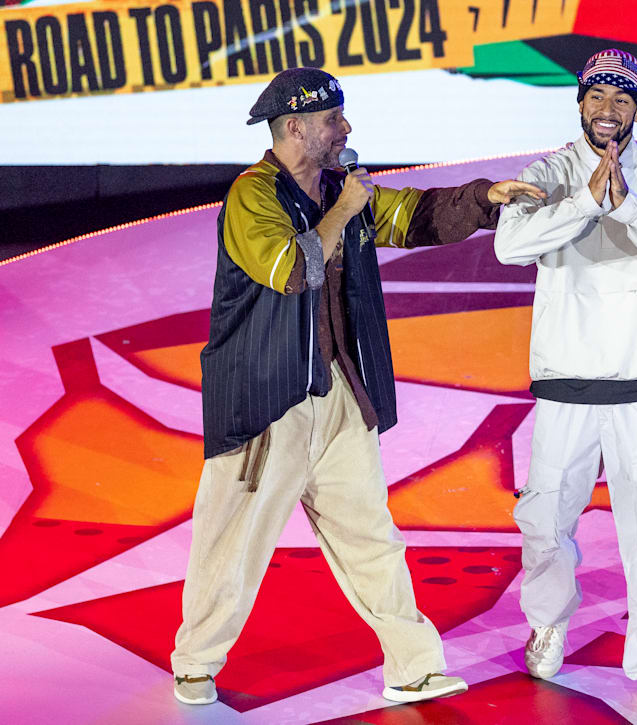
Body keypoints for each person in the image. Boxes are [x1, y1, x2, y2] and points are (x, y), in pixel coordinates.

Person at [171, 67, 544, 706]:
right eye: (332, 120)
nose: (346, 128)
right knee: (233, 542)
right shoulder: (251, 196)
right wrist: (344, 210)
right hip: (268, 401)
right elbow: (293, 269)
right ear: (295, 128)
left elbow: (415, 214)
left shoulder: (341, 187)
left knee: (372, 536)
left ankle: (413, 665)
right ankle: (196, 662)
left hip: (339, 391)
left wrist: (487, 197)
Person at [494, 49, 637, 721]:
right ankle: (548, 623)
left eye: (622, 98)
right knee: (545, 522)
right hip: (565, 383)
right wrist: (589, 200)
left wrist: (629, 209)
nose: (607, 109)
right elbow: (510, 246)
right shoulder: (549, 173)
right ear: (580, 102)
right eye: (597, 95)